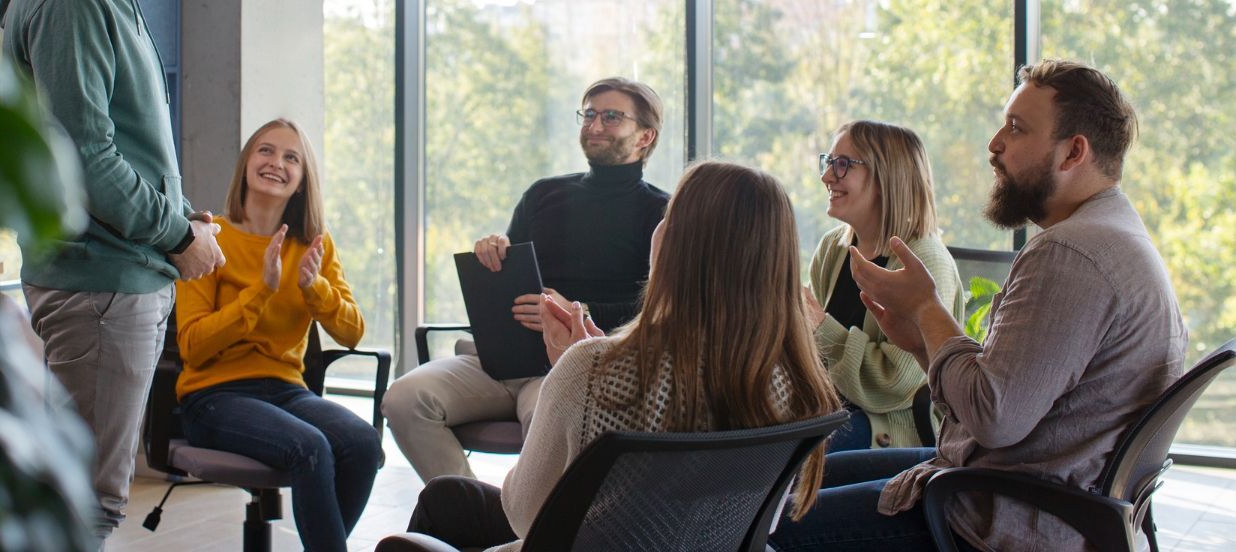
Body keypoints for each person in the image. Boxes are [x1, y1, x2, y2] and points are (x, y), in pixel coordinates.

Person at [770, 59, 1188, 552]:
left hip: (998, 517)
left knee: (760, 519)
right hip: (1008, 485)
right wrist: (925, 343)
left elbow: (993, 418)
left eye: (1016, 128)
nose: (994, 144)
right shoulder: (1113, 237)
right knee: (781, 487)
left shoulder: (1071, 255)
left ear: (1074, 152)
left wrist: (928, 312)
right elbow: (996, 401)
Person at [400, 162, 844, 551]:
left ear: (676, 243)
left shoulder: (591, 369)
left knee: (435, 514)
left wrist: (573, 367)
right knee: (449, 496)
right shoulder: (799, 378)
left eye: (669, 217)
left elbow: (525, 515)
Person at [0, 0, 224, 541]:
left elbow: (128, 138)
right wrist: (177, 233)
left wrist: (184, 214)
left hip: (117, 274)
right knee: (83, 505)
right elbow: (84, 153)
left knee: (82, 496)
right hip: (101, 282)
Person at [382, 77, 671, 482]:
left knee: (555, 429)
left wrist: (575, 312)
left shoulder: (663, 212)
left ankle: (528, 533)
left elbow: (662, 307)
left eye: (611, 116)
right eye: (588, 114)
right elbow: (514, 273)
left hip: (574, 367)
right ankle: (474, 516)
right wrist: (494, 250)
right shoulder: (543, 194)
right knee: (403, 399)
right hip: (503, 360)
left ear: (645, 136)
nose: (594, 125)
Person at [175, 119, 382, 552]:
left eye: (292, 158)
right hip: (214, 395)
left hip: (287, 391)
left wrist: (314, 289)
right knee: (310, 448)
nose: (277, 163)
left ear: (303, 181)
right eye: (265, 151)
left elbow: (352, 332)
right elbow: (192, 346)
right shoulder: (209, 236)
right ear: (247, 162)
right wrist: (260, 293)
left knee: (363, 443)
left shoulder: (313, 246)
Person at [804, 120, 964, 450]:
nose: (827, 176)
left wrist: (822, 330)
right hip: (832, 412)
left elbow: (896, 382)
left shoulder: (925, 262)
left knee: (790, 455)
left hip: (891, 432)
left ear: (887, 178)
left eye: (843, 164)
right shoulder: (832, 249)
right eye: (829, 161)